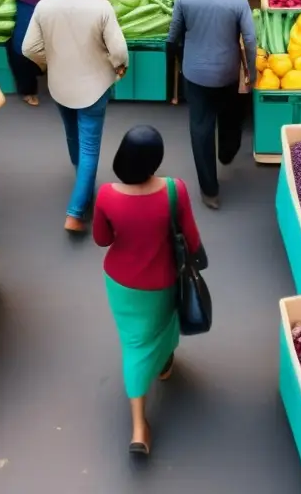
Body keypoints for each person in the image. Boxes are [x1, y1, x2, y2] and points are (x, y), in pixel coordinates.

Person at [93, 125, 207, 456]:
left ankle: (143, 423)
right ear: (156, 161)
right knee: (161, 324)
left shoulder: (106, 196)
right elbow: (193, 240)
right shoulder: (175, 190)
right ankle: (143, 414)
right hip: (164, 280)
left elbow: (103, 240)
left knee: (134, 341)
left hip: (121, 283)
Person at [23, 0, 128, 233]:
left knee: (73, 134)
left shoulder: (44, 7)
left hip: (59, 85)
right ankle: (75, 212)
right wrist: (120, 65)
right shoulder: (101, 7)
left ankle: (81, 175)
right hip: (94, 87)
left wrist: (51, 62)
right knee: (91, 146)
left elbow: (29, 47)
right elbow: (118, 50)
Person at [168, 0, 256, 209]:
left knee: (201, 127)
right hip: (227, 72)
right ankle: (227, 152)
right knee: (231, 115)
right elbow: (250, 40)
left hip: (194, 73)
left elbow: (174, 35)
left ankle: (209, 191)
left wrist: (178, 62)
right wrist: (252, 71)